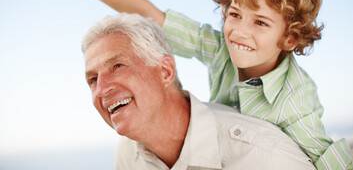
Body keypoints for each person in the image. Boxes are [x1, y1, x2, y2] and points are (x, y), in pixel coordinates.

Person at [31, 0, 353, 169]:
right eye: (235, 14)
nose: (239, 31)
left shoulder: (295, 97)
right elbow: (149, 13)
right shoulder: (219, 49)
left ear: (290, 39)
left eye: (260, 23)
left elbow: (324, 157)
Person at [82, 12, 316, 169]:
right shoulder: (128, 156)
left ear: (165, 72)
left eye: (117, 66)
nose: (101, 89)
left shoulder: (268, 158)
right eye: (92, 79)